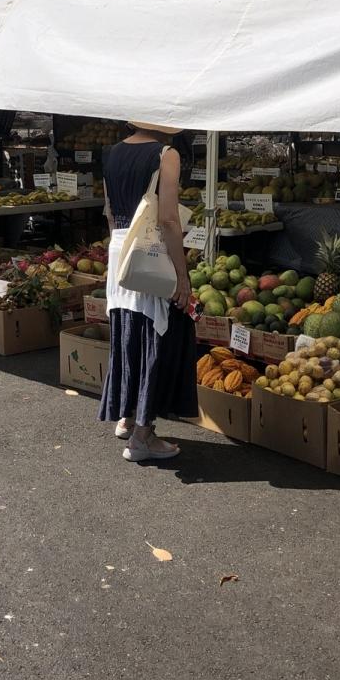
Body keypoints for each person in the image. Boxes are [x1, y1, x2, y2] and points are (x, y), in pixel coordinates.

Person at [99, 122, 197, 462]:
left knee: (128, 331)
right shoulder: (166, 155)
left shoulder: (112, 153)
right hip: (151, 252)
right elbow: (168, 219)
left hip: (120, 249)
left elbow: (109, 211)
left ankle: (127, 417)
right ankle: (142, 436)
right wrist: (181, 275)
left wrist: (121, 248)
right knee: (157, 334)